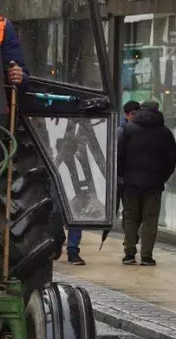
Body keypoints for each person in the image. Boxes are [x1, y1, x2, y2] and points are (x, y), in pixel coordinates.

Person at [65, 100, 141, 264]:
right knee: (78, 210)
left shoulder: (114, 127)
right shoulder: (114, 128)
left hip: (111, 177)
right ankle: (71, 248)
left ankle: (129, 249)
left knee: (127, 215)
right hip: (97, 175)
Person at [118, 100, 176, 266]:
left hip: (131, 183)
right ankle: (146, 256)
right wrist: (162, 177)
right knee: (150, 219)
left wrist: (123, 175)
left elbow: (119, 154)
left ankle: (129, 253)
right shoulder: (165, 132)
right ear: (157, 110)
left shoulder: (129, 129)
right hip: (154, 184)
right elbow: (171, 160)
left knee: (130, 217)